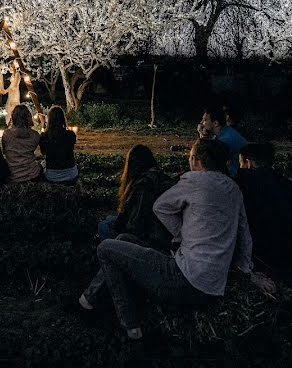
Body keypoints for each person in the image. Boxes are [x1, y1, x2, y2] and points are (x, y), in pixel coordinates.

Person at [79, 139, 274, 340]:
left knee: (106, 248)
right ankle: (88, 300)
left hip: (182, 280)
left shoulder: (194, 180)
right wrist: (248, 271)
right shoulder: (233, 189)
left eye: (190, 157)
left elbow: (160, 206)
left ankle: (128, 324)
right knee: (124, 238)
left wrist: (181, 234)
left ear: (196, 161)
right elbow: (244, 233)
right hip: (214, 287)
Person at [236, 143, 292, 282]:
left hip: (258, 255)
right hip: (289, 255)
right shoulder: (289, 186)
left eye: (240, 163)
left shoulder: (243, 183)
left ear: (249, 163)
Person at [96, 145, 174, 249]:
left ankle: (113, 256)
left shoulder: (141, 186)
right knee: (109, 218)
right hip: (163, 234)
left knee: (103, 226)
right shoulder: (162, 177)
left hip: (147, 237)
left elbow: (133, 224)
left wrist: (120, 224)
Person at [198, 105, 247, 177]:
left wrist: (201, 136)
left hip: (234, 175)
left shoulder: (225, 140)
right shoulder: (224, 131)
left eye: (205, 120)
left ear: (215, 123)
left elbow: (207, 159)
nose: (201, 123)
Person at [1, 105, 42, 183]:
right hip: (32, 175)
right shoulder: (35, 135)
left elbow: (4, 152)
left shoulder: (6, 134)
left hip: (13, 175)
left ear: (13, 117)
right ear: (29, 117)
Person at [40, 106, 78, 184]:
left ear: (49, 120)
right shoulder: (71, 134)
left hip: (52, 176)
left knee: (41, 164)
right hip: (71, 174)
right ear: (63, 119)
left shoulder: (44, 136)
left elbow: (43, 152)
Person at [4, 62, 22, 127]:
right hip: (11, 92)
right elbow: (11, 85)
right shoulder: (13, 75)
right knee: (9, 107)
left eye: (9, 67)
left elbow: (14, 85)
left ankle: (15, 123)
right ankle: (9, 123)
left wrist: (6, 91)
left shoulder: (17, 74)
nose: (9, 69)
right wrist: (7, 90)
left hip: (15, 92)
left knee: (14, 107)